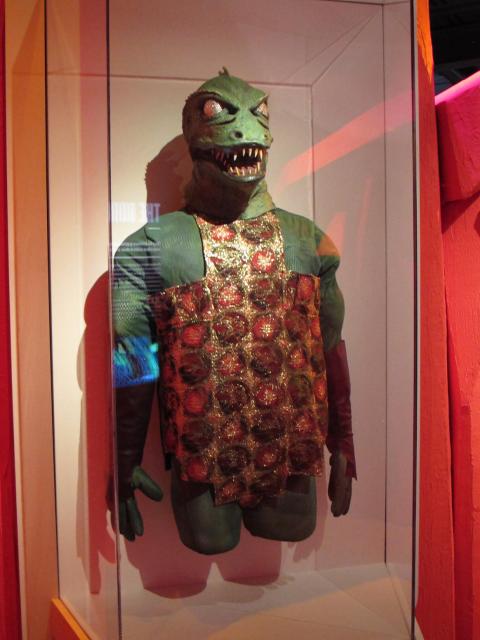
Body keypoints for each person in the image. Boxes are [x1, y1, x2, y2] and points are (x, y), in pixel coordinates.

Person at [113, 69, 356, 554]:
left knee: (284, 527)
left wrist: (343, 442)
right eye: (218, 113)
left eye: (257, 113)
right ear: (194, 135)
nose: (245, 129)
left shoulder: (310, 241)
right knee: (210, 539)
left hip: (288, 452)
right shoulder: (149, 247)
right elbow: (133, 361)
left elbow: (329, 347)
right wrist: (124, 457)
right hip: (202, 460)